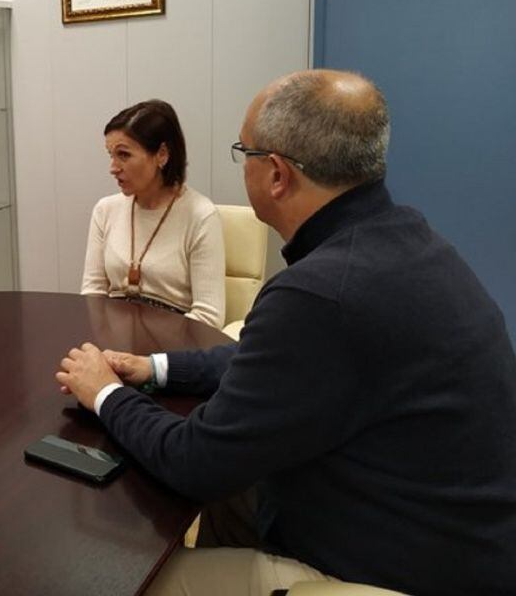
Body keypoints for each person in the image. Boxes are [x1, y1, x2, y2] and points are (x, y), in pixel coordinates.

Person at [55, 70, 516, 595]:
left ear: (275, 174)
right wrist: (155, 368)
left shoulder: (320, 293)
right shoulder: (407, 243)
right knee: (229, 495)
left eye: (242, 151)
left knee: (132, 576)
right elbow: (270, 359)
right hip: (448, 534)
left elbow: (194, 462)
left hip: (388, 569)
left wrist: (106, 394)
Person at [81, 99, 225, 328]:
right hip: (111, 348)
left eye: (124, 155)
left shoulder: (200, 216)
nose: (113, 168)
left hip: (170, 355)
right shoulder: (105, 210)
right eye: (111, 155)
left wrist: (149, 362)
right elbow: (92, 295)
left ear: (162, 154)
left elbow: (208, 317)